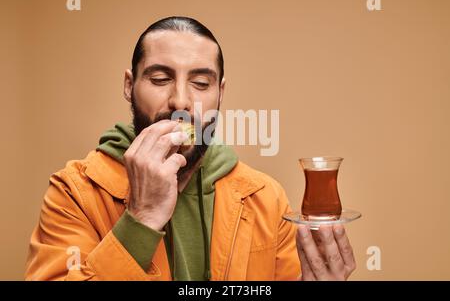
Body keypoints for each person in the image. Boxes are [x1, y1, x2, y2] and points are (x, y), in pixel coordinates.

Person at [25, 16, 356, 281]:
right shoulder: (73, 192)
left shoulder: (267, 198)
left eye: (200, 83)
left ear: (220, 93)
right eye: (159, 79)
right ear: (129, 86)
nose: (180, 101)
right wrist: (141, 218)